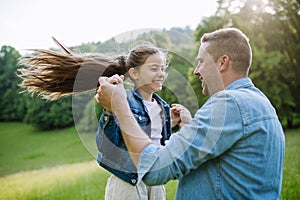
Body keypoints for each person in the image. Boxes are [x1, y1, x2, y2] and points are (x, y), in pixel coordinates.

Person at [94, 27, 285, 199]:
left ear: (222, 63)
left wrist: (119, 106)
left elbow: (153, 168)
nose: (196, 71)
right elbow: (218, 160)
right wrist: (188, 125)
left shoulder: (229, 105)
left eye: (201, 62)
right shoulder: (260, 103)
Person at [18, 42, 191, 199]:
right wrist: (110, 110)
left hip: (155, 181)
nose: (161, 74)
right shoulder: (123, 100)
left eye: (163, 69)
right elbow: (107, 145)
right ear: (134, 73)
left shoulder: (163, 106)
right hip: (128, 183)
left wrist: (173, 121)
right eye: (154, 68)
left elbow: (155, 140)